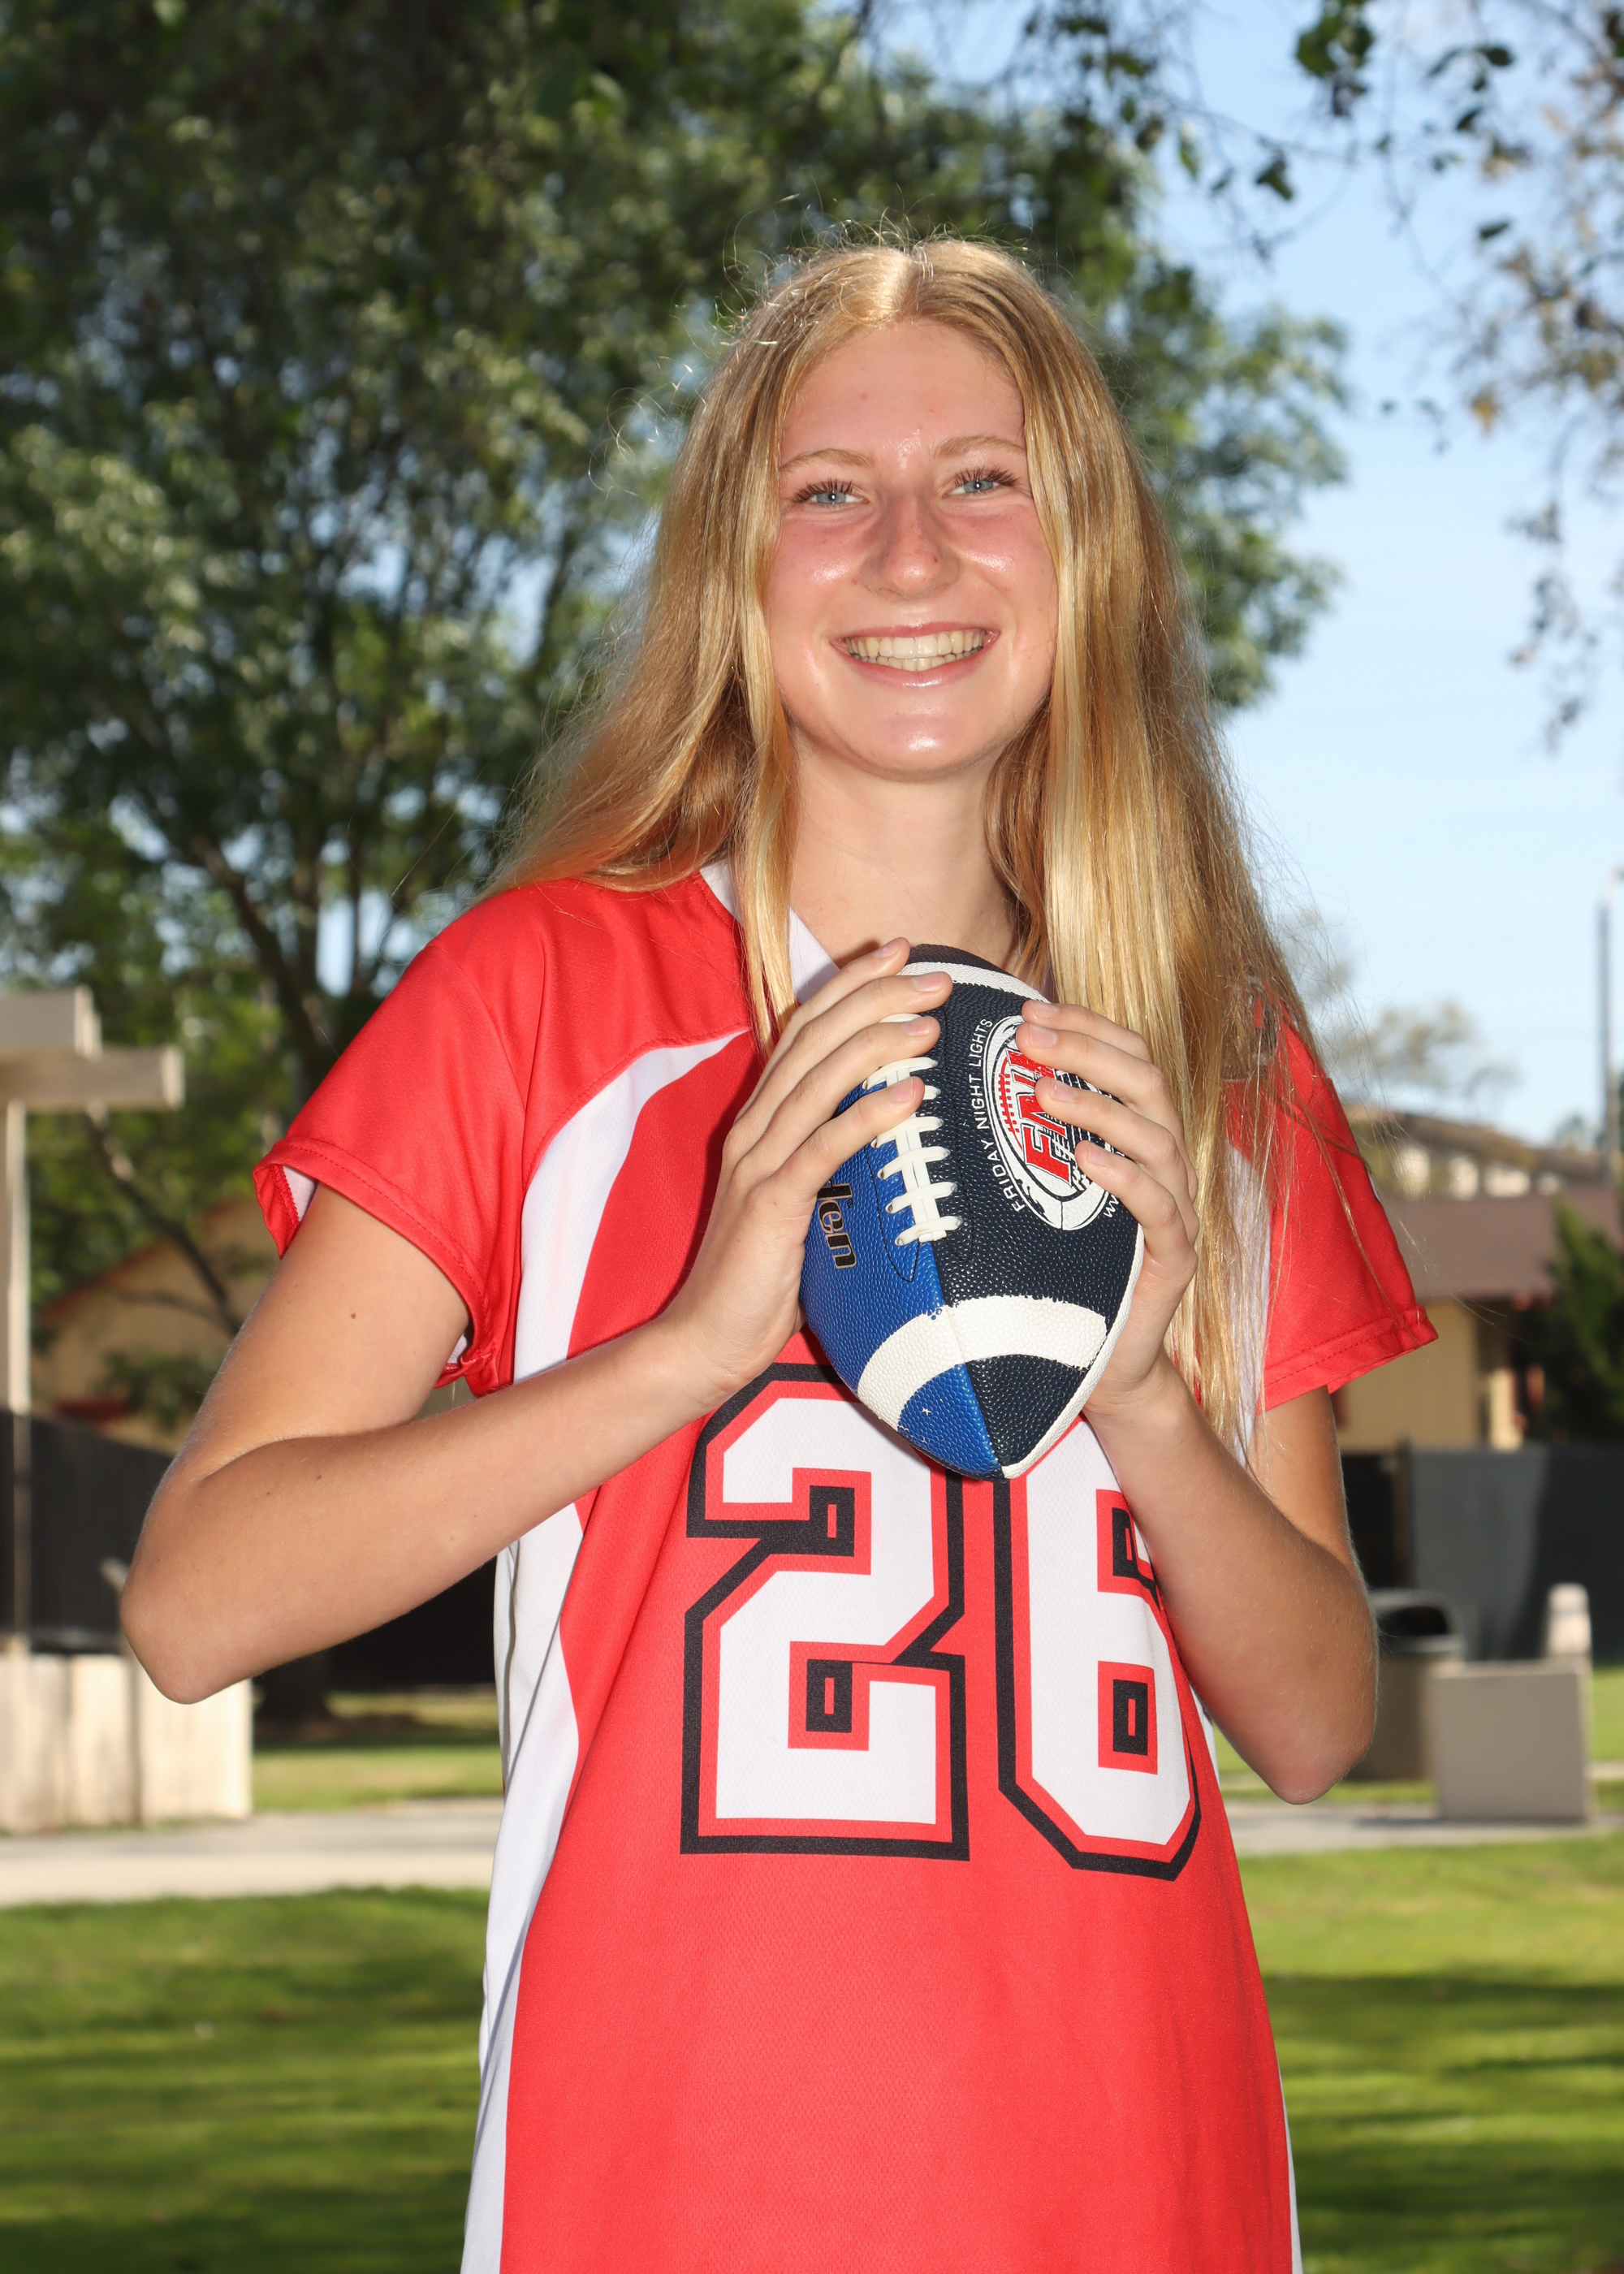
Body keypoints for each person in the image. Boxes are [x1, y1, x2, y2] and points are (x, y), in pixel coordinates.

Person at [123, 240, 1433, 2272]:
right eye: (831, 491)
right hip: (669, 2191)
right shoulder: (541, 995)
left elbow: (1323, 1716)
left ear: (1087, 552)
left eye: (983, 480)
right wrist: (688, 1344)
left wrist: (1151, 1403)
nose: (910, 551)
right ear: (736, 568)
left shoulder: (1211, 1051)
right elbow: (198, 1601)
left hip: (1141, 2188)